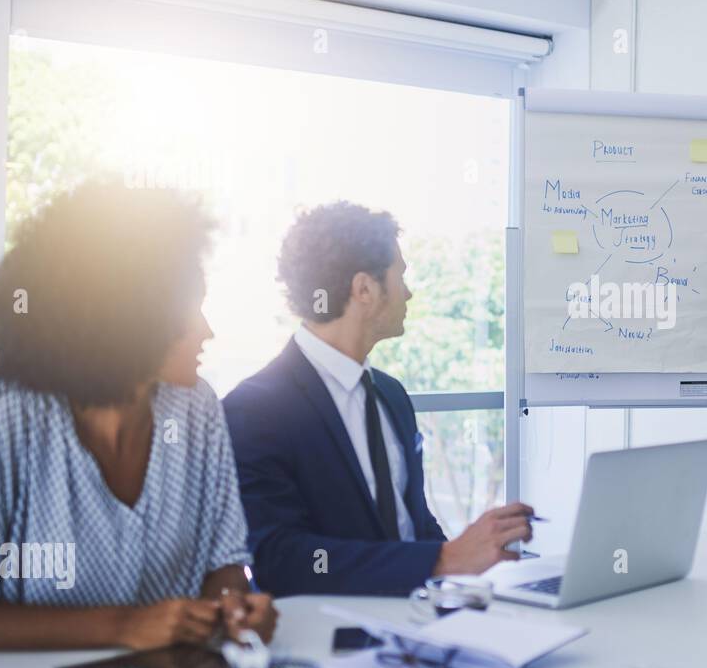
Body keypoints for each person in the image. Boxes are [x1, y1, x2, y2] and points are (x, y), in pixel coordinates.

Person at [0, 181, 276, 650]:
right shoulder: (6, 415)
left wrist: (234, 609)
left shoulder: (197, 408)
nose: (206, 331)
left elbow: (224, 564)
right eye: (187, 313)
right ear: (121, 318)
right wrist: (123, 627)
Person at [223, 202, 533, 597]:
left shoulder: (391, 395)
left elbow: (414, 524)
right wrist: (444, 559)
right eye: (401, 275)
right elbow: (282, 561)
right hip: (333, 627)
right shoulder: (254, 409)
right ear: (364, 289)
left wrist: (469, 570)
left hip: (422, 611)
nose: (409, 292)